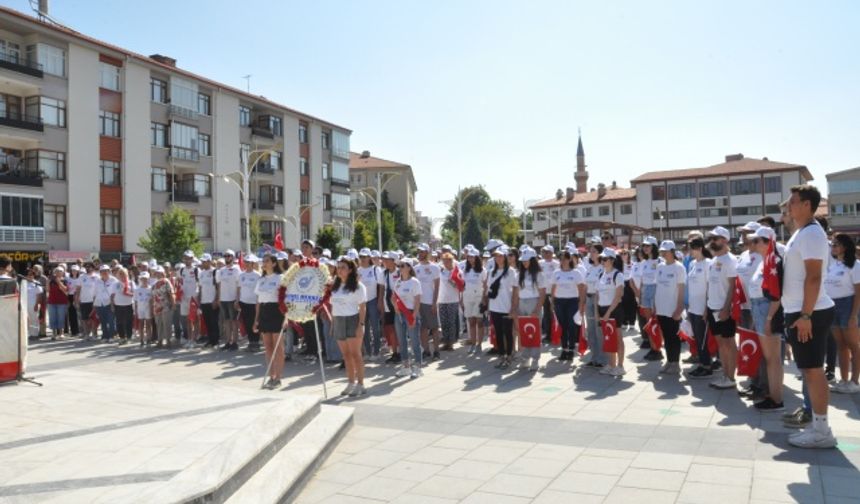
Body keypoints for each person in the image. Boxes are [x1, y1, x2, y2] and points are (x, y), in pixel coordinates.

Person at [782, 184, 837, 448]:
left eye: (792, 202)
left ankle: (822, 430)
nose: (788, 206)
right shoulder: (801, 233)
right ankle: (817, 425)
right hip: (800, 311)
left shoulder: (812, 234)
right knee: (809, 369)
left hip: (810, 312)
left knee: (813, 371)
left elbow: (814, 277)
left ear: (806, 205)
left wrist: (805, 315)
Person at [748, 226, 786, 410]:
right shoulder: (765, 261)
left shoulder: (774, 261)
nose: (752, 243)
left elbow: (776, 297)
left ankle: (777, 399)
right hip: (760, 308)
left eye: (756, 240)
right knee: (769, 358)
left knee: (773, 359)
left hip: (768, 309)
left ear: (767, 242)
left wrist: (770, 319)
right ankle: (773, 395)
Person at [824, 233, 860, 394]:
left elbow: (859, 292)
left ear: (845, 246)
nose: (832, 246)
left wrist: (853, 314)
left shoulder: (855, 265)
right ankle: (844, 380)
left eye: (836, 244)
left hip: (848, 304)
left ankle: (854, 381)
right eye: (832, 244)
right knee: (841, 346)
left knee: (854, 345)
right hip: (833, 306)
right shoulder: (832, 265)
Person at [705, 226, 738, 389]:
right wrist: (707, 308)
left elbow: (733, 287)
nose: (712, 242)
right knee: (721, 344)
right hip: (713, 308)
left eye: (715, 239)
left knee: (729, 343)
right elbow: (711, 286)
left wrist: (726, 308)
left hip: (724, 310)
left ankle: (731, 377)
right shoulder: (713, 261)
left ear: (724, 240)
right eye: (711, 238)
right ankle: (725, 375)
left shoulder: (731, 260)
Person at [331, 256, 368, 397]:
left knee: (356, 354)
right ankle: (351, 382)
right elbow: (334, 305)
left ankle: (361, 384)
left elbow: (362, 307)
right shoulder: (334, 285)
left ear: (350, 269)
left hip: (353, 320)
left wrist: (361, 325)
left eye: (343, 267)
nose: (339, 270)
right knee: (346, 355)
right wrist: (333, 323)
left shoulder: (358, 286)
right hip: (339, 320)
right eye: (338, 267)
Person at [654, 240, 686, 375]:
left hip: (672, 308)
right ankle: (669, 360)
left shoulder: (679, 267)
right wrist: (655, 306)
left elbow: (681, 289)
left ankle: (676, 363)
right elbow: (657, 287)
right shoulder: (660, 266)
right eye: (661, 251)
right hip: (661, 308)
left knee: (674, 337)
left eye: (665, 251)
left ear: (672, 252)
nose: (663, 254)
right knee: (666, 337)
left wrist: (679, 308)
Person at [485, 246, 520, 369]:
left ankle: (509, 356)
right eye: (496, 256)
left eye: (500, 256)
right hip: (495, 307)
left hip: (507, 307)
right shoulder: (491, 272)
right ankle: (501, 356)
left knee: (508, 333)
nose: (498, 258)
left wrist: (514, 307)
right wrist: (488, 306)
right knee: (498, 333)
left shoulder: (511, 272)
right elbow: (489, 290)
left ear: (505, 257)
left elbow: (515, 291)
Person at [685, 237, 714, 379]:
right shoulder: (692, 264)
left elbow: (710, 286)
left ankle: (707, 366)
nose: (689, 251)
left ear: (699, 248)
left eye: (691, 248)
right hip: (693, 307)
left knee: (703, 338)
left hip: (703, 307)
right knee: (697, 337)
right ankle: (702, 363)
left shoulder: (708, 263)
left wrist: (706, 308)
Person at [256, 254, 285, 389]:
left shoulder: (281, 278)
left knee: (277, 347)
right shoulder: (261, 280)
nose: (264, 263)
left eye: (267, 261)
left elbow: (286, 299)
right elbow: (258, 301)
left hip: (277, 312)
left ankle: (278, 378)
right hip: (264, 312)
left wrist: (286, 317)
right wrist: (256, 320)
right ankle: (271, 376)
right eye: (263, 261)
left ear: (274, 263)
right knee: (267, 347)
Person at [551, 249, 586, 362]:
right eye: (561, 259)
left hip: (572, 301)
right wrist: (552, 302)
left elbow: (581, 289)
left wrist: (581, 304)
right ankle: (564, 349)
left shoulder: (576, 273)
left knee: (571, 326)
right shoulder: (556, 273)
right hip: (559, 302)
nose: (563, 261)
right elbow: (553, 288)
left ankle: (571, 349)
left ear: (569, 259)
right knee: (563, 326)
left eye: (565, 258)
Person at [596, 248, 626, 376]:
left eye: (605, 259)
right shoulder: (600, 274)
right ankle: (611, 364)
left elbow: (618, 296)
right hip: (602, 309)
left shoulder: (617, 275)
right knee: (607, 338)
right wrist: (598, 313)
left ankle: (620, 366)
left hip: (614, 310)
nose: (602, 261)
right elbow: (597, 295)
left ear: (612, 260)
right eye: (601, 259)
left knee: (618, 338)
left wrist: (608, 313)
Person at [515, 247, 546, 371]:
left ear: (533, 260)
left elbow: (542, 293)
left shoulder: (539, 274)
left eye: (527, 260)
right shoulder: (519, 274)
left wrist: (537, 310)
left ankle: (535, 359)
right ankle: (525, 357)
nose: (524, 262)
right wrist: (516, 307)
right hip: (522, 303)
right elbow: (517, 292)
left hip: (534, 302)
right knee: (524, 332)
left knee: (534, 333)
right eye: (523, 260)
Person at [394, 258, 423, 379]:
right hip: (399, 314)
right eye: (399, 266)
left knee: (414, 341)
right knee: (402, 340)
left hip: (410, 313)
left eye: (402, 266)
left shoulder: (415, 282)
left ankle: (417, 366)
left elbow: (417, 300)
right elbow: (393, 296)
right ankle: (406, 366)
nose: (399, 268)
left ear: (409, 268)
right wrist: (395, 307)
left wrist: (415, 315)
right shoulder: (398, 282)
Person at [414, 244, 441, 360]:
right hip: (419, 303)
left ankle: (436, 351)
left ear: (428, 252)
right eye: (419, 251)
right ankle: (426, 350)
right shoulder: (415, 269)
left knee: (434, 328)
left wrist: (434, 303)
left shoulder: (435, 268)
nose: (420, 253)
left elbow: (437, 287)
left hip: (430, 302)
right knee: (423, 328)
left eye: (423, 251)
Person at [584, 242, 608, 367]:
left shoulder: (602, 268)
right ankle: (593, 356)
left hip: (598, 299)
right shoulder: (590, 268)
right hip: (588, 298)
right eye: (590, 251)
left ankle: (603, 358)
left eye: (594, 251)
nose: (591, 254)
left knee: (599, 330)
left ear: (600, 253)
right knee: (591, 329)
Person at [357, 248, 383, 360]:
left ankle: (376, 351)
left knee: (375, 327)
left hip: (373, 300)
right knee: (364, 328)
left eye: (365, 256)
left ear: (369, 257)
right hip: (361, 302)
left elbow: (381, 286)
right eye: (361, 257)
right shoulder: (357, 270)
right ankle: (368, 351)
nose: (363, 259)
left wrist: (380, 301)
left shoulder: (376, 269)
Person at [638, 236, 661, 360]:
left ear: (654, 247)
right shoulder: (644, 262)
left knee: (656, 321)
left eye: (648, 245)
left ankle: (658, 348)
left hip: (655, 290)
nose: (645, 248)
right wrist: (641, 296)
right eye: (644, 246)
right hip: (645, 290)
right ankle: (653, 348)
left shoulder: (659, 261)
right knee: (648, 322)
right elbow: (642, 280)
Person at [462, 248, 487, 354]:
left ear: (477, 258)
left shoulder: (482, 270)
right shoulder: (465, 270)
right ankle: (473, 343)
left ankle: (479, 344)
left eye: (472, 257)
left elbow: (485, 286)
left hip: (478, 298)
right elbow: (463, 285)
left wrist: (484, 299)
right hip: (468, 298)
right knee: (471, 322)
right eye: (469, 257)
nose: (470, 259)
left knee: (479, 322)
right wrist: (461, 298)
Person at [216, 249, 241, 351]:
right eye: (225, 256)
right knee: (226, 322)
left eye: (229, 256)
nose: (227, 258)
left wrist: (237, 299)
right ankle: (228, 342)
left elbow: (239, 285)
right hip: (223, 299)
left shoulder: (236, 269)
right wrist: (218, 298)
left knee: (234, 321)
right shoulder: (220, 271)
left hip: (232, 299)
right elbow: (219, 285)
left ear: (233, 257)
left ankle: (235, 342)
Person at [438, 252, 462, 352]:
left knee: (451, 322)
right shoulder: (441, 271)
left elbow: (461, 287)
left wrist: (453, 282)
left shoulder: (457, 271)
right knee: (444, 323)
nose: (446, 263)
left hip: (453, 300)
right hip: (442, 300)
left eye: (448, 261)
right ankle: (446, 342)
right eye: (444, 261)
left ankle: (451, 343)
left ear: (452, 261)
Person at [238, 254, 262, 353]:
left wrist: (258, 302)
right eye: (246, 262)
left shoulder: (257, 275)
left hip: (254, 303)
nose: (247, 264)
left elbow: (260, 290)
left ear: (253, 264)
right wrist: (237, 300)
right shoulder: (241, 275)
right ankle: (251, 342)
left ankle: (256, 343)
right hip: (244, 302)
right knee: (247, 323)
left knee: (254, 322)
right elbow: (239, 288)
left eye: (249, 263)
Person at [198, 254, 220, 349]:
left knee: (214, 322)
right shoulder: (201, 273)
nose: (202, 263)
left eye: (204, 261)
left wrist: (216, 300)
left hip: (212, 301)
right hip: (204, 301)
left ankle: (216, 341)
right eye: (202, 261)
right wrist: (200, 301)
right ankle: (210, 340)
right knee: (207, 322)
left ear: (209, 261)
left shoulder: (215, 272)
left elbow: (218, 287)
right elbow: (201, 288)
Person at [150, 266, 175, 349]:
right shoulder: (154, 284)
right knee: (159, 324)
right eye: (156, 273)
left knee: (167, 323)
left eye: (159, 272)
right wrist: (152, 308)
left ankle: (168, 340)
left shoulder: (166, 281)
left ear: (162, 273)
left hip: (166, 305)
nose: (157, 274)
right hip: (157, 306)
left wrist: (173, 304)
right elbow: (152, 297)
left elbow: (171, 293)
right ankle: (160, 340)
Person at [539, 245, 559, 343]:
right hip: (544, 293)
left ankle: (556, 333)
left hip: (554, 293)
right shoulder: (540, 263)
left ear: (552, 253)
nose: (546, 254)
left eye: (547, 252)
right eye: (544, 252)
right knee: (546, 314)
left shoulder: (556, 264)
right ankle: (548, 334)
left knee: (555, 313)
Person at [112, 267, 135, 345]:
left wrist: (129, 293)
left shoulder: (131, 283)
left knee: (128, 322)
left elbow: (135, 293)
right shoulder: (116, 284)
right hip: (118, 305)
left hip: (128, 304)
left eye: (124, 274)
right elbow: (112, 295)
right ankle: (122, 338)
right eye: (120, 274)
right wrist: (112, 305)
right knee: (119, 322)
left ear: (127, 274)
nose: (122, 275)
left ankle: (129, 337)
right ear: (118, 275)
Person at [75, 263, 98, 340]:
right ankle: (86, 334)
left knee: (93, 319)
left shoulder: (97, 276)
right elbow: (78, 289)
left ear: (93, 268)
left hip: (94, 301)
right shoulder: (81, 277)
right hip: (83, 300)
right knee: (84, 319)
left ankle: (94, 334)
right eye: (86, 267)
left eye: (90, 267)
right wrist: (77, 300)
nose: (88, 268)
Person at [46, 266, 69, 341]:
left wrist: (59, 282)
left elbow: (66, 290)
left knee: (61, 317)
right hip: (52, 301)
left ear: (63, 272)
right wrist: (48, 282)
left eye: (60, 271)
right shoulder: (51, 281)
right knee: (52, 317)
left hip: (62, 302)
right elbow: (47, 290)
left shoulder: (65, 280)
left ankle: (61, 333)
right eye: (57, 271)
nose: (58, 272)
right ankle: (54, 333)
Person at [134, 272, 153, 347]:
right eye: (143, 279)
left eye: (146, 279)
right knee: (141, 324)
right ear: (140, 279)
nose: (144, 280)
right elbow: (135, 301)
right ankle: (141, 339)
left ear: (148, 279)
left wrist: (151, 309)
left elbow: (152, 300)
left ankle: (149, 338)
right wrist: (135, 310)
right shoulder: (137, 289)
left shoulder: (150, 288)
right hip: (140, 308)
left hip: (148, 308)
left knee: (148, 324)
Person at [66, 265, 81, 337]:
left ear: (78, 271)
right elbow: (67, 289)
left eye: (75, 270)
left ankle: (80, 331)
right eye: (73, 270)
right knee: (72, 315)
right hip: (70, 297)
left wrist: (77, 298)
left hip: (78, 297)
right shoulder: (68, 279)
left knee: (78, 315)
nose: (74, 272)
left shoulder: (80, 279)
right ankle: (73, 332)